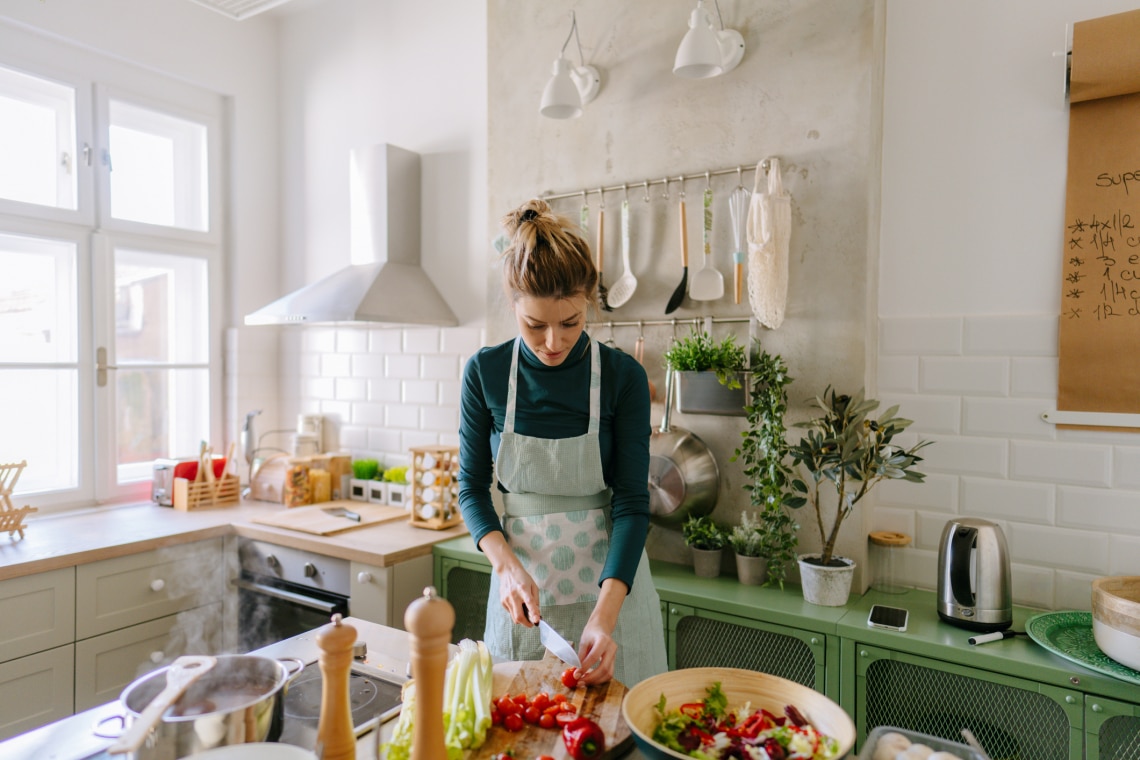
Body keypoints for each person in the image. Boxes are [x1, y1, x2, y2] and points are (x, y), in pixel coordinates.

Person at [458, 198, 668, 687]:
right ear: (513, 304)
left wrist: (605, 616)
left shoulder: (623, 378)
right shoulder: (485, 373)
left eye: (570, 322)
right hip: (524, 602)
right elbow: (471, 487)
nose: (553, 341)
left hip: (615, 602)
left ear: (589, 302)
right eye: (535, 325)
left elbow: (634, 502)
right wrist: (506, 567)